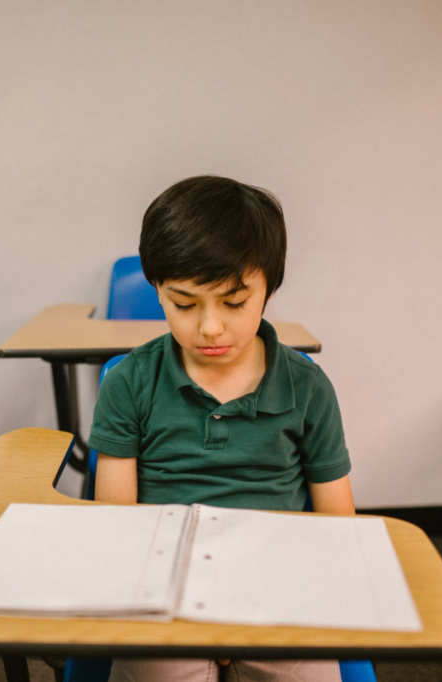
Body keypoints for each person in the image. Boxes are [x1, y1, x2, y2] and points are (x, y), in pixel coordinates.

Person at [89, 175, 355, 682]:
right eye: (184, 304)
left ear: (268, 290)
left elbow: (337, 526)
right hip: (164, 588)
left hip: (279, 587)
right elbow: (118, 526)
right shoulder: (130, 382)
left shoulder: (308, 388)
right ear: (157, 292)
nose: (210, 327)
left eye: (233, 303)